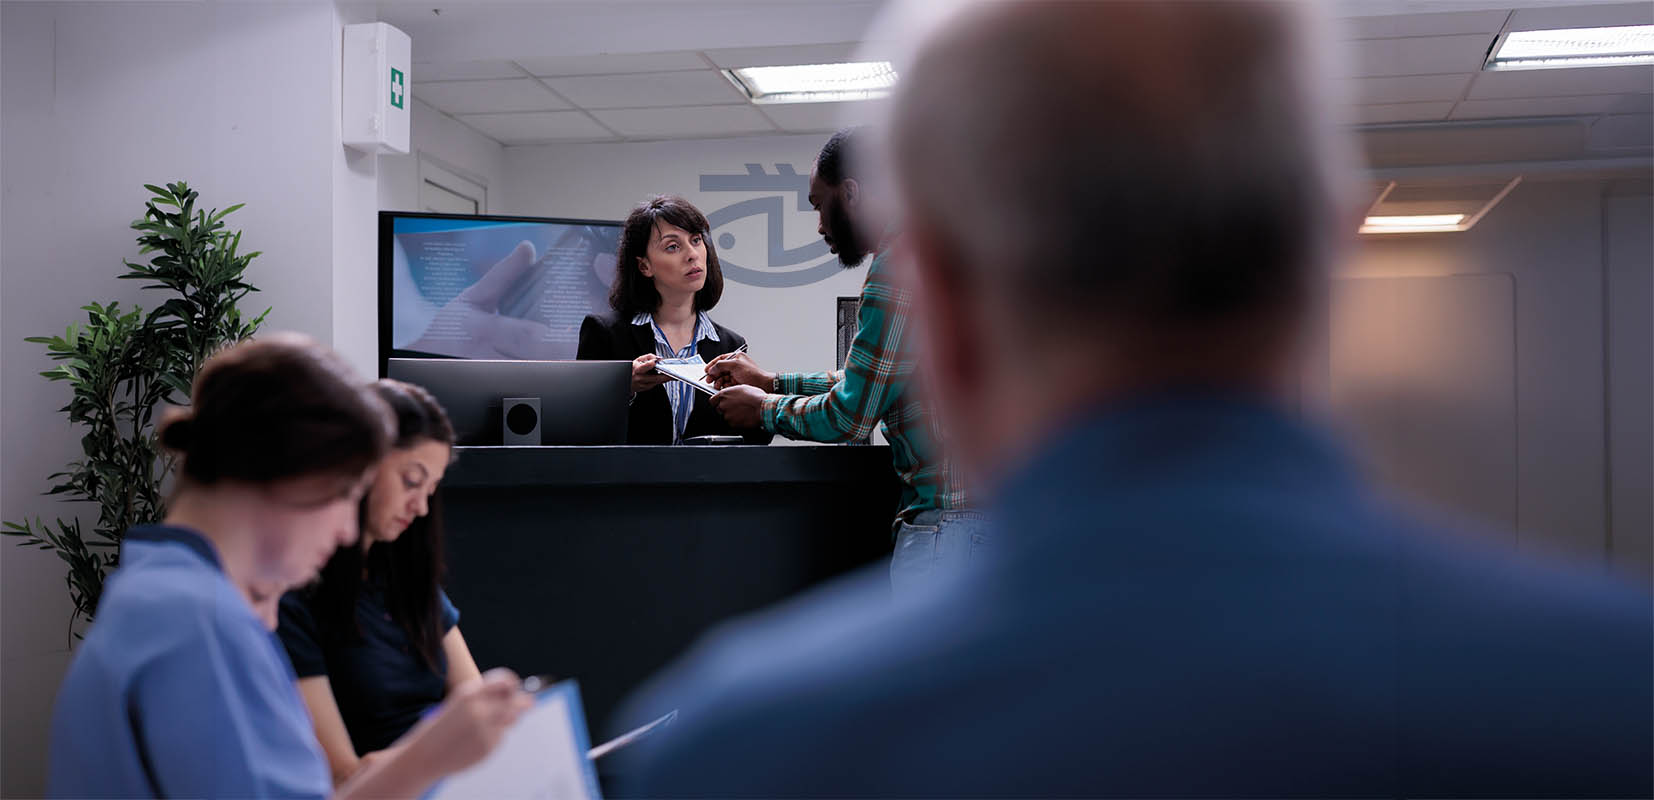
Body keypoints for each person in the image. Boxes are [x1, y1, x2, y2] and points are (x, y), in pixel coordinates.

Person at [617, 2, 1653, 797]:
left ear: (943, 311)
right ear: (1326, 262)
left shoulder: (743, 747)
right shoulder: (1614, 691)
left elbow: (854, 405)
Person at [48, 333, 533, 799]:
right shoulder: (205, 622)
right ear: (285, 470)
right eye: (346, 493)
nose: (347, 530)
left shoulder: (157, 590)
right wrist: (430, 757)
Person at [705, 128, 977, 592]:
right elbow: (881, 376)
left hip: (947, 531)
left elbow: (850, 417)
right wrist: (773, 382)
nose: (818, 225)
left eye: (817, 204)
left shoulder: (898, 268)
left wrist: (763, 410)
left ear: (850, 193)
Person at [277, 379, 479, 785]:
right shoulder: (294, 597)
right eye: (411, 481)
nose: (420, 507)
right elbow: (341, 775)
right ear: (362, 466)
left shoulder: (406, 577)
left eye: (430, 490)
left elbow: (474, 702)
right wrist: (449, 743)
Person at [578, 195, 771, 445]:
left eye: (696, 240)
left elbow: (755, 440)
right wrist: (624, 389)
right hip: (627, 481)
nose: (692, 255)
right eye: (673, 246)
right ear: (644, 266)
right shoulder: (605, 333)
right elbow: (579, 429)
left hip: (705, 482)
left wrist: (761, 399)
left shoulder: (730, 344)